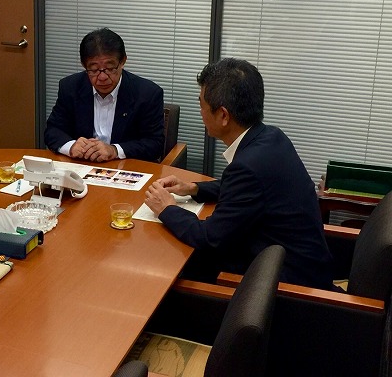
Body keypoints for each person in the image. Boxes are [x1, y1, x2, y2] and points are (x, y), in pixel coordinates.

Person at [144, 58, 333, 289]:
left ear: (224, 116)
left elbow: (210, 238)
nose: (201, 112)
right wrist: (193, 188)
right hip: (301, 264)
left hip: (286, 288)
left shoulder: (247, 167)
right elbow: (250, 190)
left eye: (202, 105)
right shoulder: (272, 137)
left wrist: (167, 208)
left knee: (169, 269)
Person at [44, 27, 165, 163]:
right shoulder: (70, 87)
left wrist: (114, 150)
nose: (102, 77)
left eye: (110, 68)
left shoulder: (147, 93)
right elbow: (53, 130)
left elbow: (155, 143)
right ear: (84, 65)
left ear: (123, 61)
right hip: (81, 167)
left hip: (125, 167)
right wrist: (71, 146)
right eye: (94, 69)